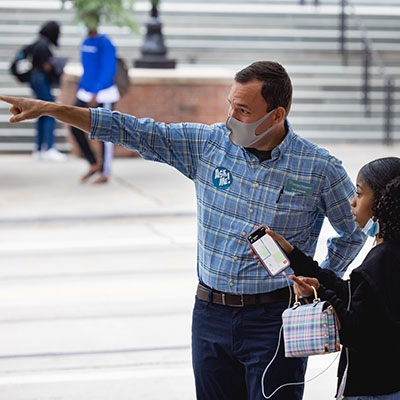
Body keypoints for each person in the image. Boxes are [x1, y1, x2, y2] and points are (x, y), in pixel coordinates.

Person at [0, 61, 366, 400]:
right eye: (230, 106)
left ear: (276, 115)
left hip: (275, 318)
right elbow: (131, 129)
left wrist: (321, 278)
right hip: (210, 315)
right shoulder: (207, 145)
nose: (230, 118)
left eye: (243, 111)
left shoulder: (318, 168)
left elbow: (353, 231)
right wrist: (50, 108)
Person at [265, 157, 400, 399]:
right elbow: (356, 296)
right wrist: (296, 258)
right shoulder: (389, 253)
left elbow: (354, 331)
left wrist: (317, 296)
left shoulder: (382, 260)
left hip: (374, 390)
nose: (352, 202)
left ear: (383, 201)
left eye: (359, 194)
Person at [70, 19, 119, 184]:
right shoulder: (85, 42)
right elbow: (86, 68)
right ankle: (93, 163)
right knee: (74, 125)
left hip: (103, 94)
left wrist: (96, 93)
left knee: (105, 133)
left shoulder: (105, 42)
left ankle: (105, 171)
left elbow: (108, 68)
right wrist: (81, 89)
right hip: (85, 92)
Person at [29, 21, 66, 162]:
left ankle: (39, 148)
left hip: (35, 79)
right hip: (40, 79)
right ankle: (49, 148)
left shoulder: (37, 43)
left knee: (41, 112)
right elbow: (46, 66)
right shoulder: (43, 45)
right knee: (50, 110)